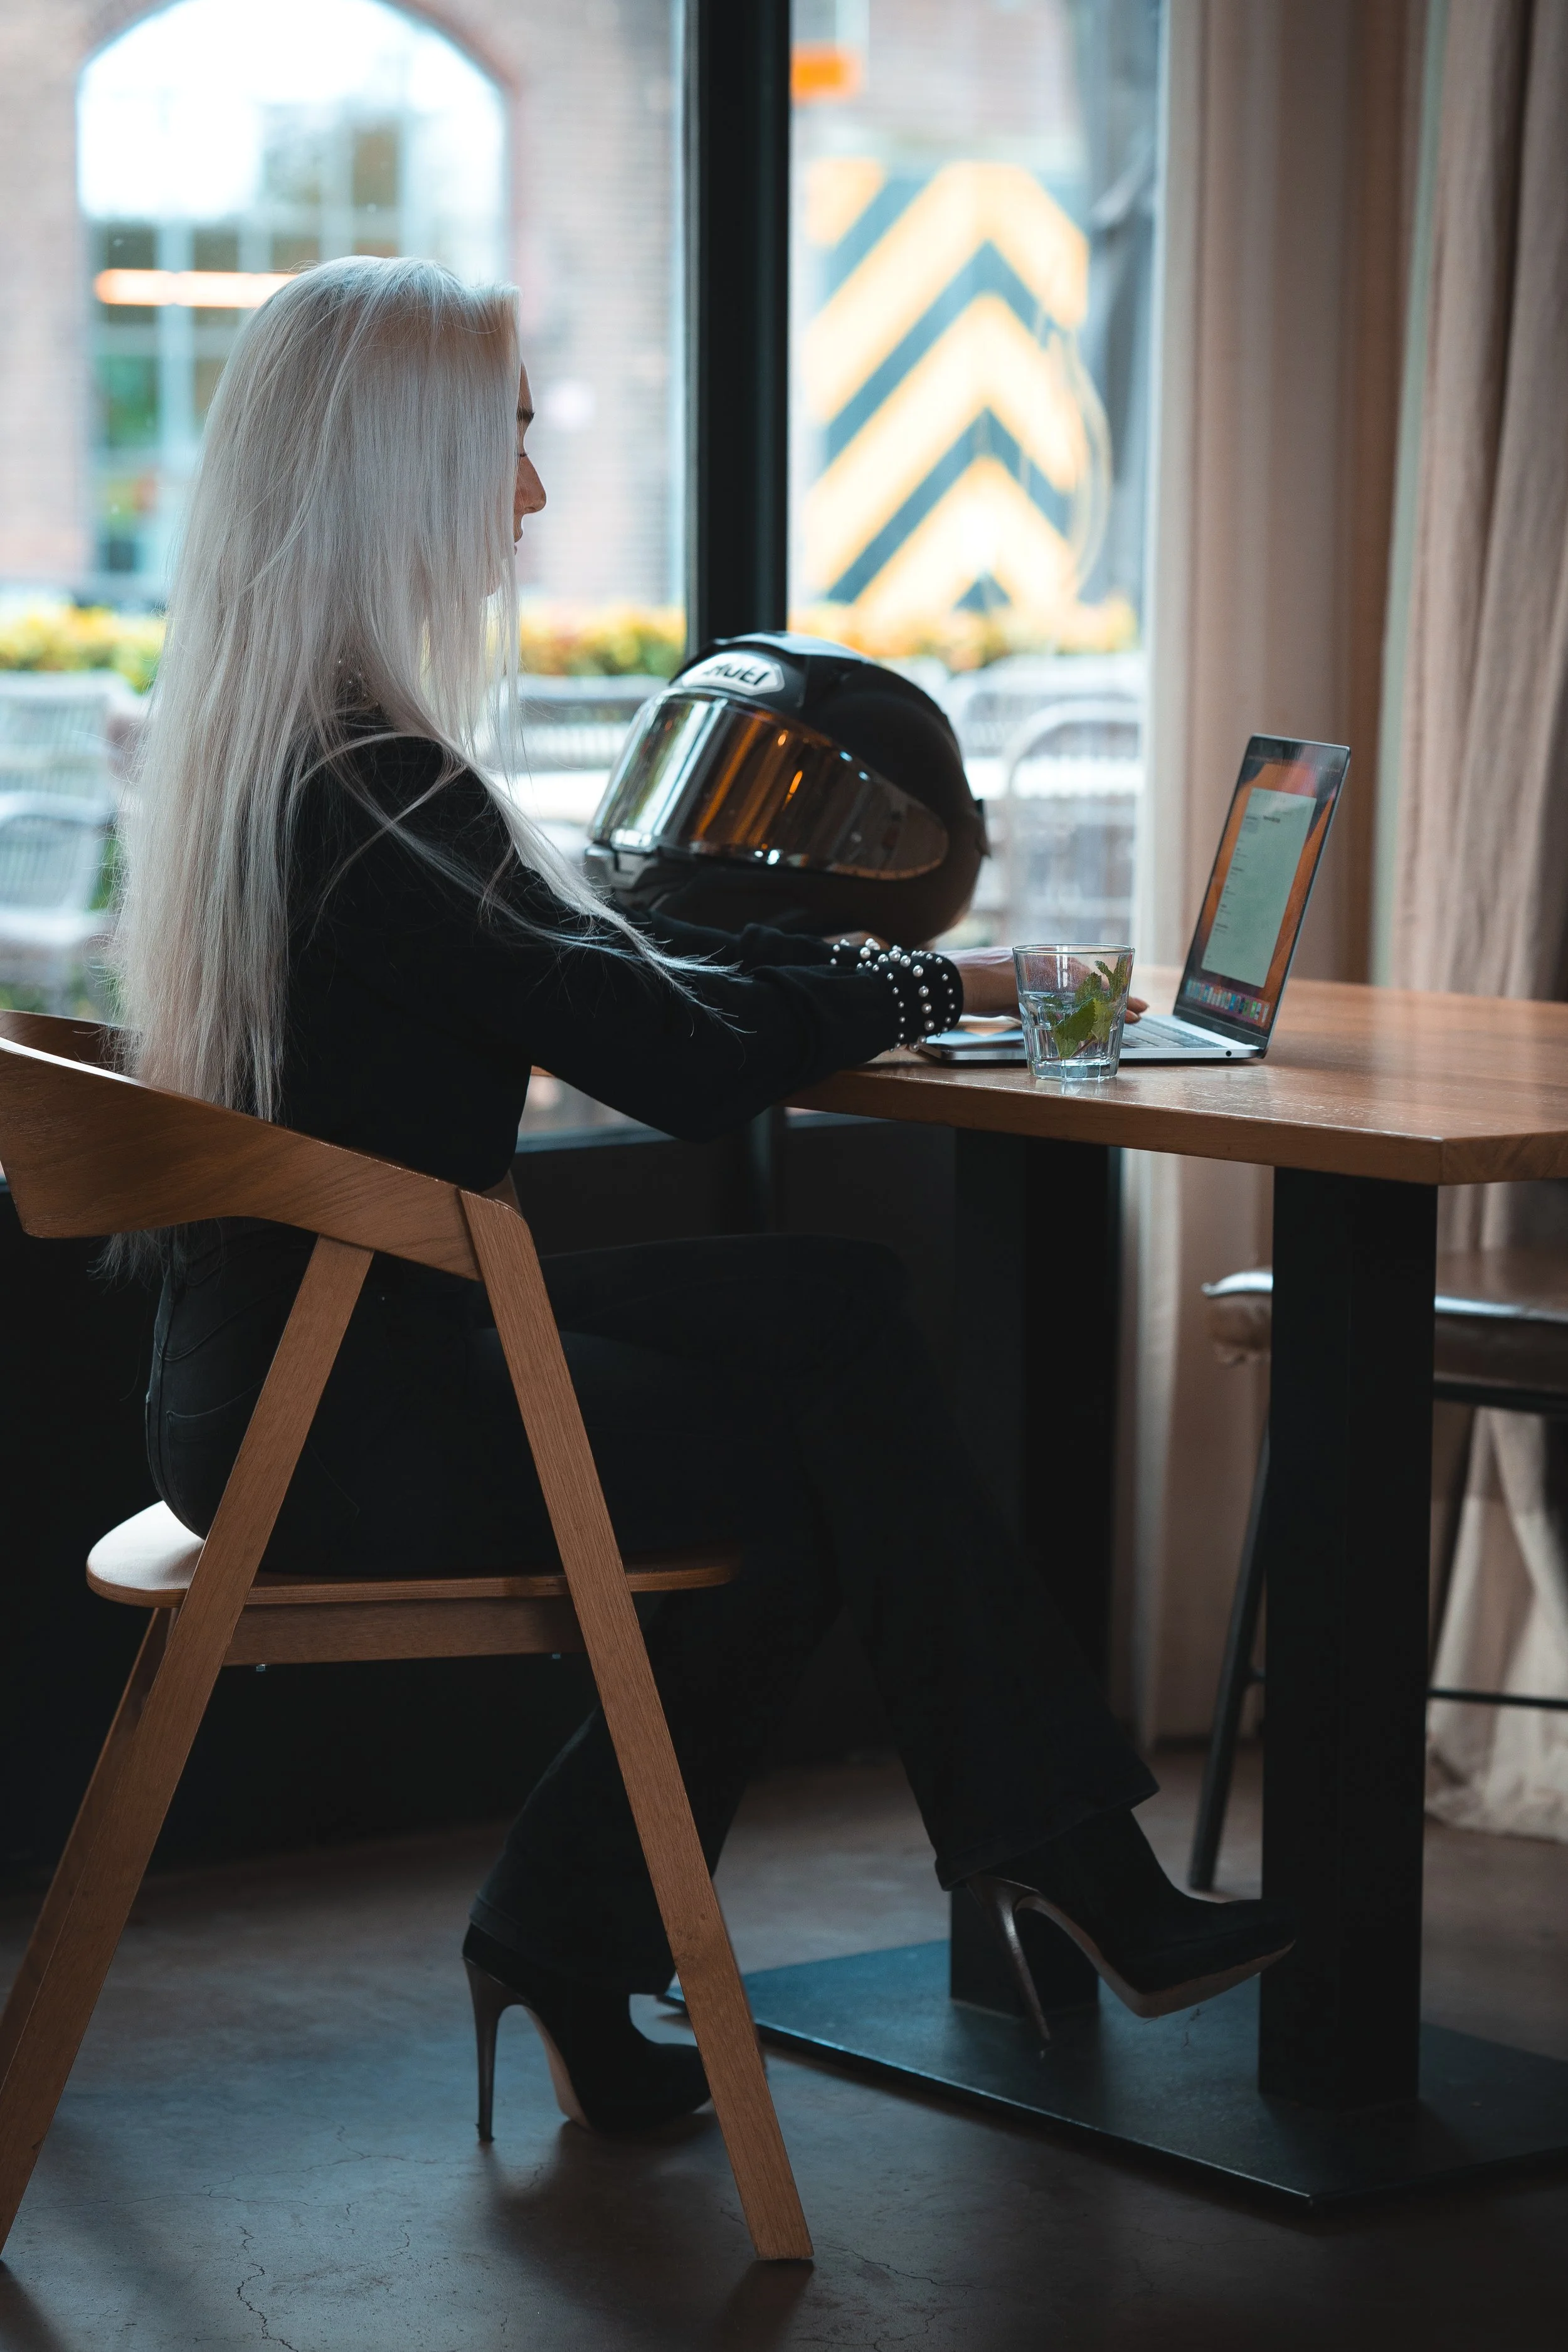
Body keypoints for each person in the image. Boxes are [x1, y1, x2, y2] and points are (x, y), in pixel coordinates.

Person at [117, 255, 1293, 2137]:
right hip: (339, 1415)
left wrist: (942, 988)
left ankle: (656, 1926)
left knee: (835, 1310)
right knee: (834, 1459)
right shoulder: (376, 780)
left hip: (294, 1364)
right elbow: (655, 1062)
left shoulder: (297, 754)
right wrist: (923, 982)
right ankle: (1030, 1863)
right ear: (395, 467)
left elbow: (612, 994)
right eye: (502, 439)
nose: (531, 492)